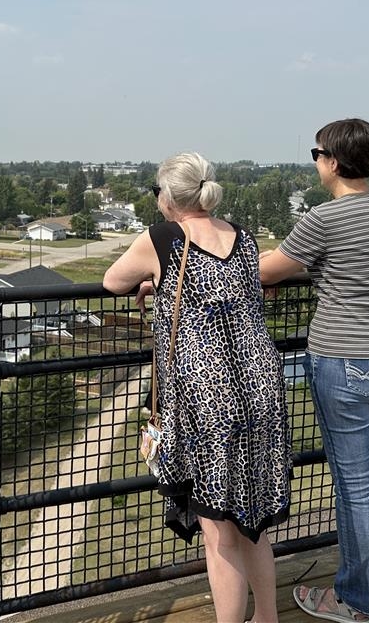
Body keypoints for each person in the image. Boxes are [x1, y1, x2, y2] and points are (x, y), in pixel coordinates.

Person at [104, 152, 291, 623]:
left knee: (219, 529)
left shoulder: (163, 237)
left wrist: (153, 280)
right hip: (262, 386)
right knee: (252, 523)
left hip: (208, 398)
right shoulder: (243, 237)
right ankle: (266, 618)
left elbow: (112, 282)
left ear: (168, 196)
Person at [258, 119, 369, 623]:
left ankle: (354, 599)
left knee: (356, 485)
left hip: (345, 362)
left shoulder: (323, 220)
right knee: (363, 480)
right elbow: (352, 261)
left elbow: (263, 269)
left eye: (316, 152)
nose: (315, 161)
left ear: (331, 161)